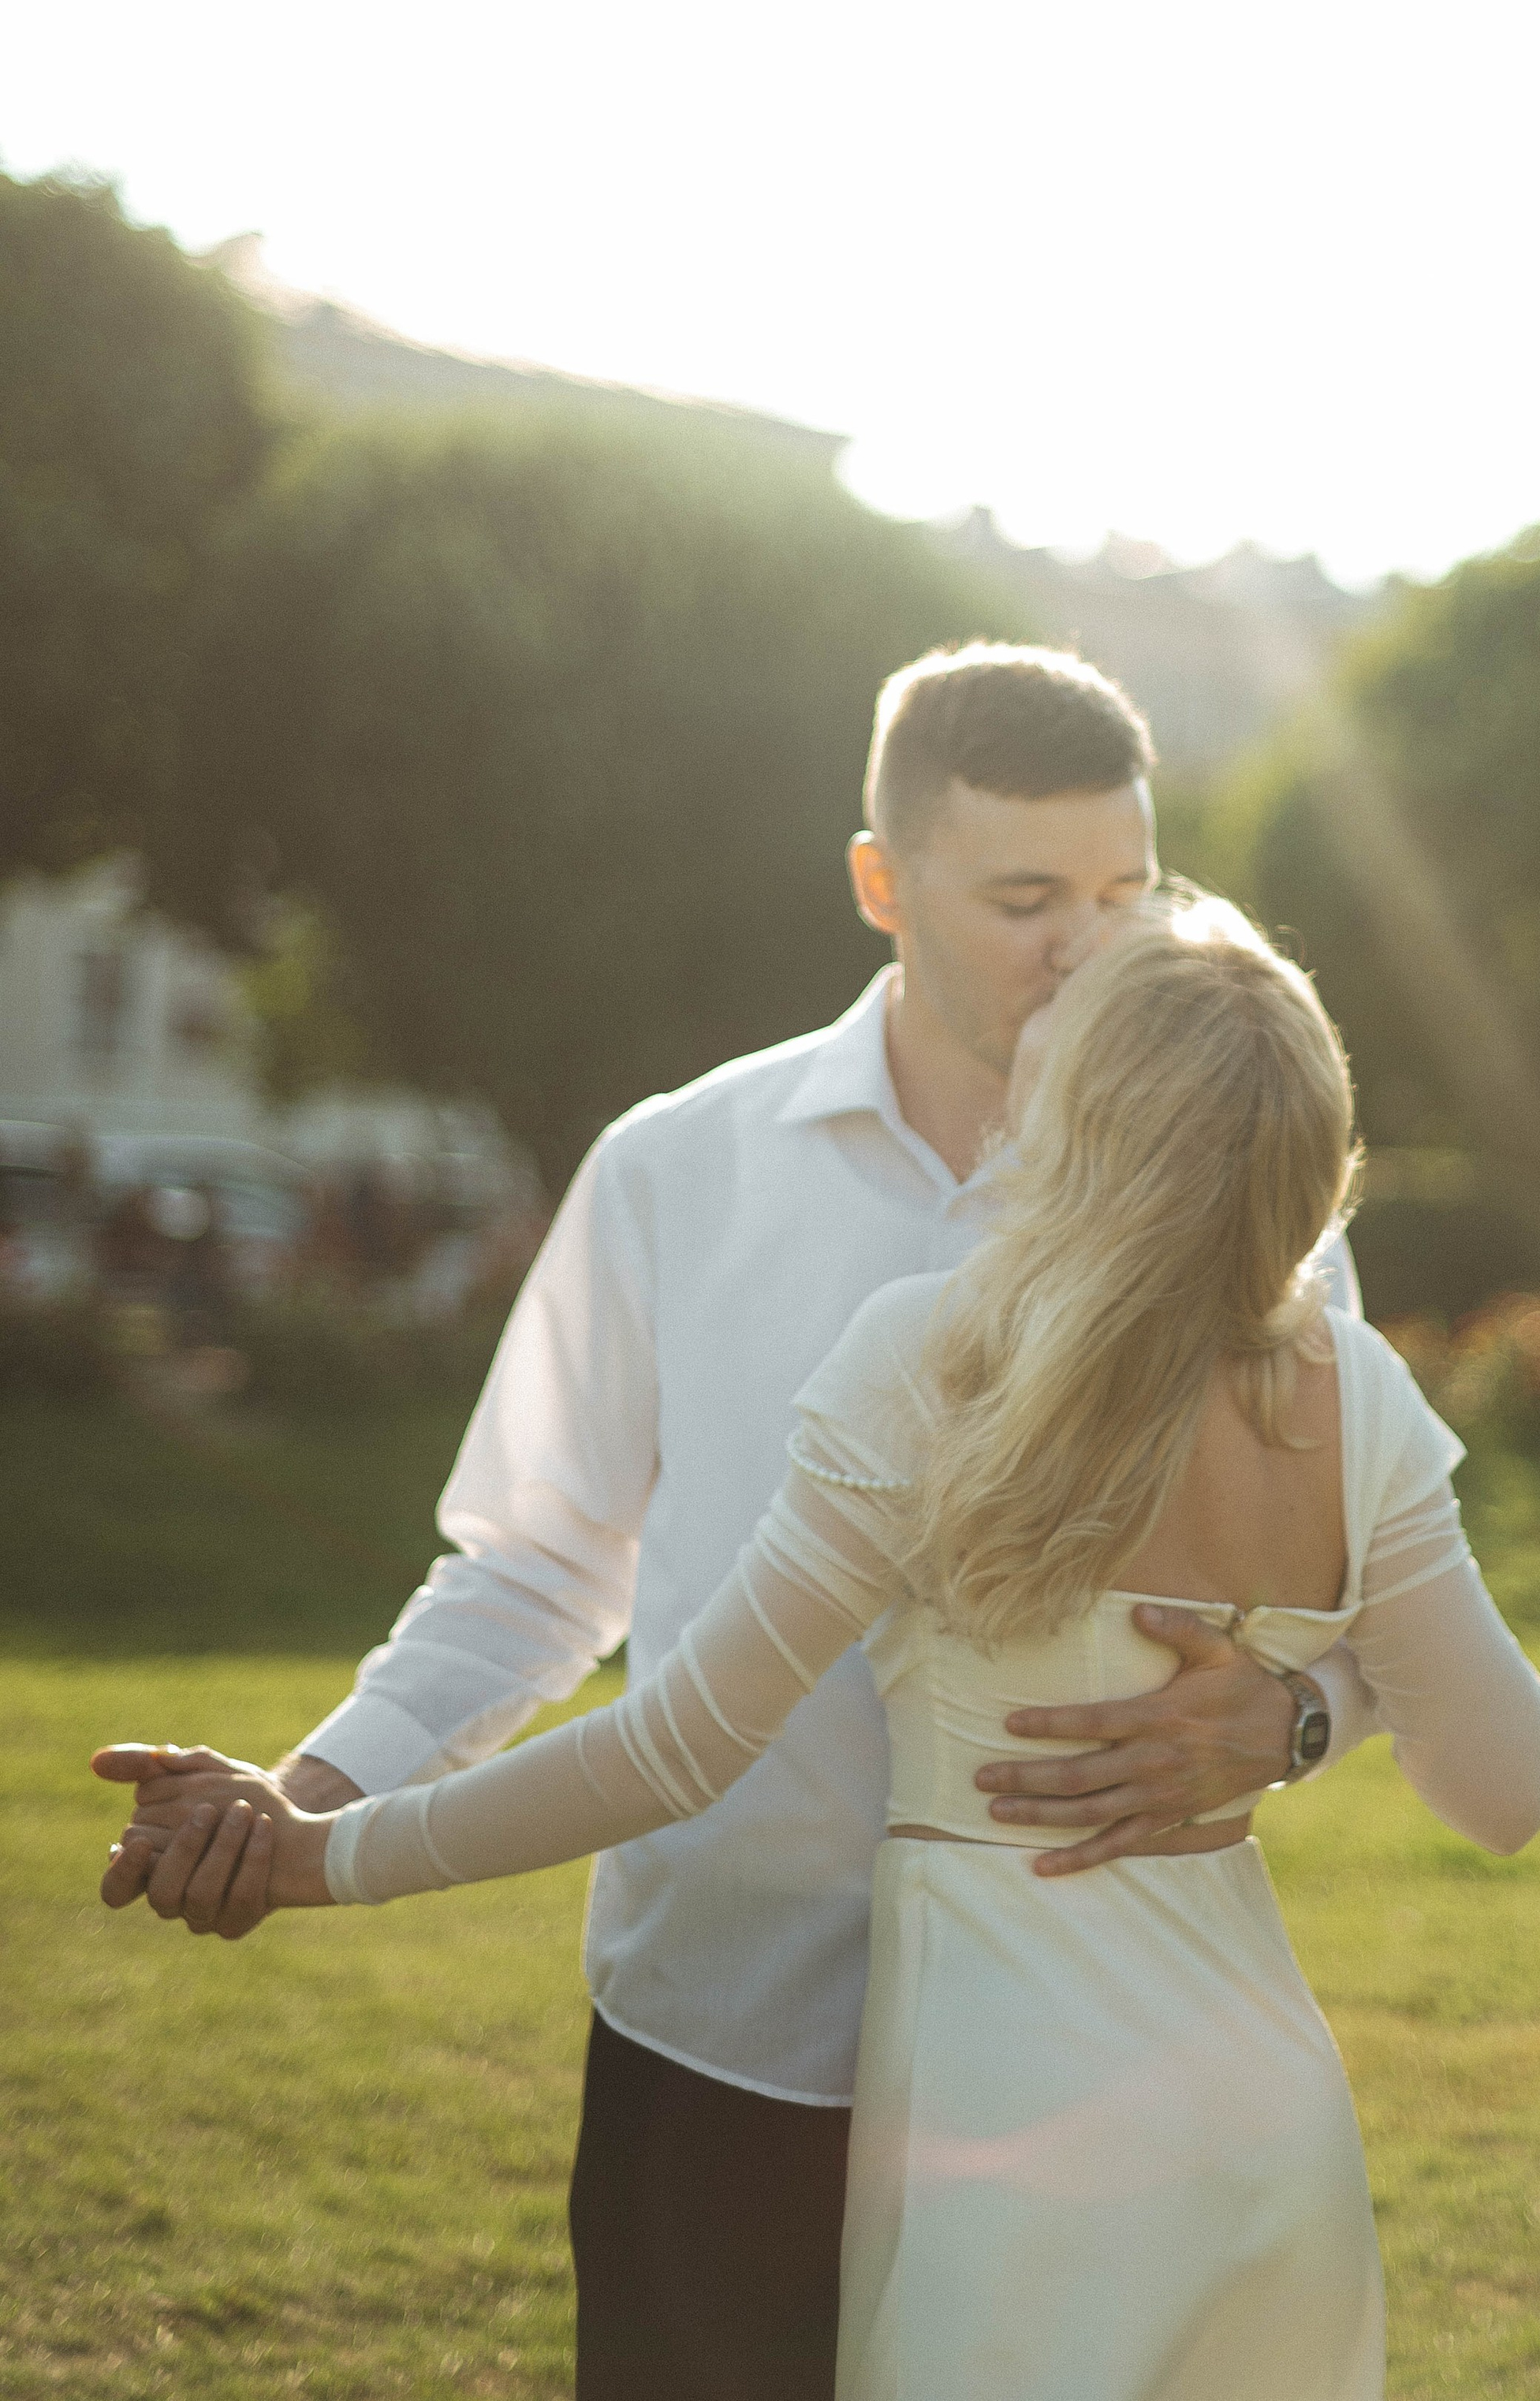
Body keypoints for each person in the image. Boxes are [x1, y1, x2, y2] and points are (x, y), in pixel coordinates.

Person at [93, 643, 1379, 2401]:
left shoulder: (1250, 1212)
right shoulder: (674, 1166)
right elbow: (537, 1568)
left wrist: (1301, 1715)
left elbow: (1373, 1589)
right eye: (1023, 897)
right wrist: (299, 1801)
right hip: (723, 2045)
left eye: (1123, 890)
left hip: (1087, 2058)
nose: (1089, 946)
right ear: (879, 883)